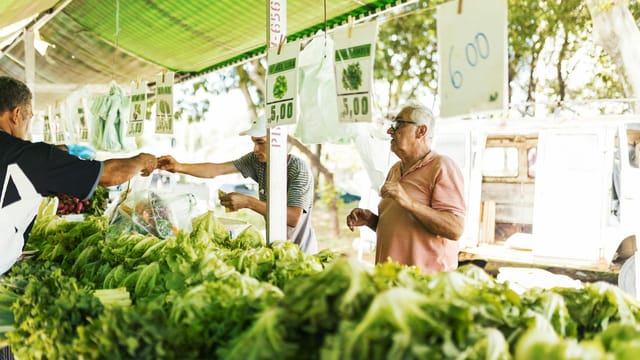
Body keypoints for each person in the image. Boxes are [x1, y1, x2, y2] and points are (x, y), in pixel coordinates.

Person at [0, 76, 157, 276]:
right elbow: (109, 175)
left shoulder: (31, 157)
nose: (28, 124)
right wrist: (141, 161)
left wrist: (55, 155)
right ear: (17, 114)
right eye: (29, 116)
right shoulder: (31, 157)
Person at [157, 115, 318, 254]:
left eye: (260, 142)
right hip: (276, 248)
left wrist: (248, 202)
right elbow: (217, 169)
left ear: (278, 142)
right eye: (254, 142)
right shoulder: (258, 161)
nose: (255, 148)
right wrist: (179, 167)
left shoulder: (297, 169)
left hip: (300, 251)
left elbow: (293, 218)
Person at [346, 101, 465, 273]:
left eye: (398, 124)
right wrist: (372, 221)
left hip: (424, 285)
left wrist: (407, 201)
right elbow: (405, 227)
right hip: (391, 281)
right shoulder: (395, 169)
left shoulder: (442, 166)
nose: (389, 131)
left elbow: (455, 229)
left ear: (421, 131)